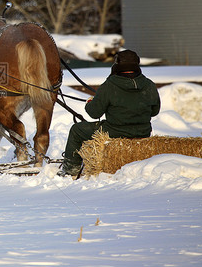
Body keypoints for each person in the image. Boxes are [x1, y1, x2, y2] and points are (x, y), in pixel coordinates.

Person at [58, 49, 161, 177]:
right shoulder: (150, 85)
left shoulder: (109, 85)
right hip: (143, 132)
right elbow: (155, 111)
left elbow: (94, 113)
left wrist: (90, 102)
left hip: (114, 131)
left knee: (77, 130)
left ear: (117, 65)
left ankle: (70, 170)